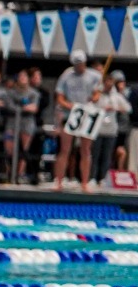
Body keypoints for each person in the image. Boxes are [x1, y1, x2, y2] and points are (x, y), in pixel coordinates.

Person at [51, 50, 103, 192]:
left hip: (87, 114)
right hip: (70, 115)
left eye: (81, 64)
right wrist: (72, 106)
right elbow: (60, 98)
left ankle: (84, 183)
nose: (79, 67)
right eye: (77, 64)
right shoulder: (66, 76)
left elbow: (98, 93)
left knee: (85, 150)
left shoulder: (94, 76)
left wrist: (95, 98)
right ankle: (59, 181)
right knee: (65, 149)